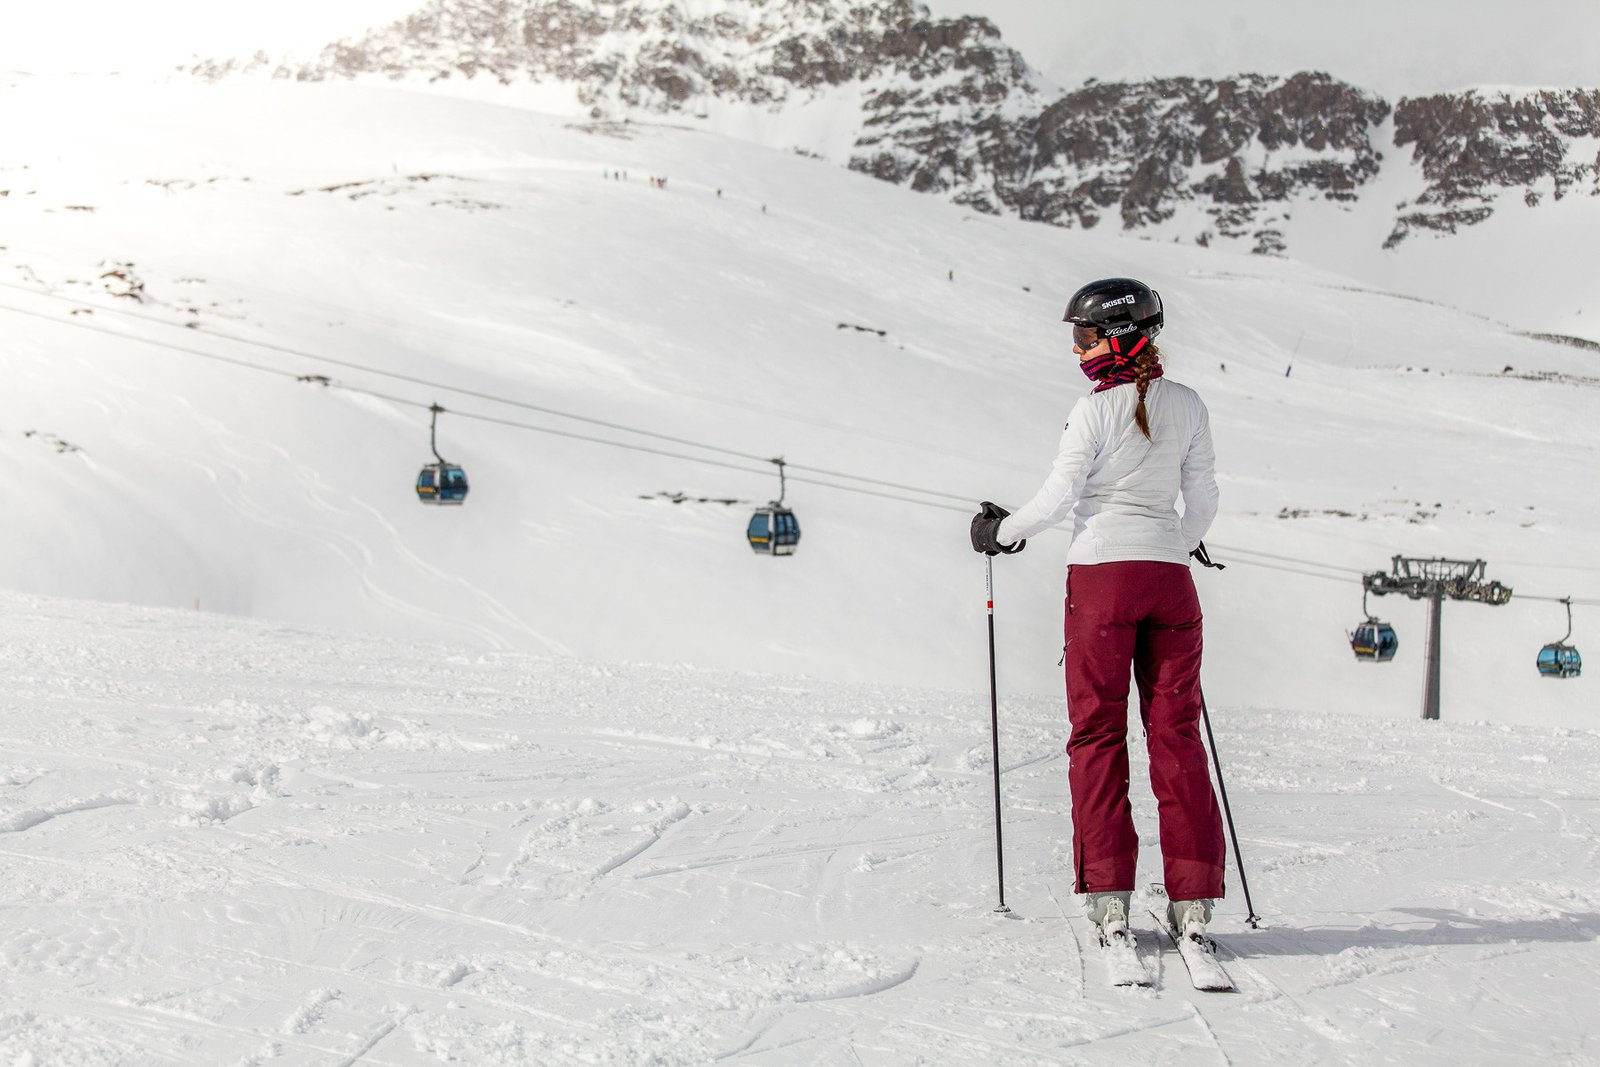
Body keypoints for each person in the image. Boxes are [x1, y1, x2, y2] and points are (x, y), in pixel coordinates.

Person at [969, 277, 1224, 944]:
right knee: (1177, 737)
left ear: (1118, 335)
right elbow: (1202, 502)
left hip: (1101, 584)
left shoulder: (1093, 410)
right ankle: (1193, 901)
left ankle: (1110, 897)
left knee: (1097, 734)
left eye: (1084, 335)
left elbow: (1058, 498)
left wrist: (1003, 531)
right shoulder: (1190, 406)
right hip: (1171, 584)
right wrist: (1179, 541)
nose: (1077, 348)